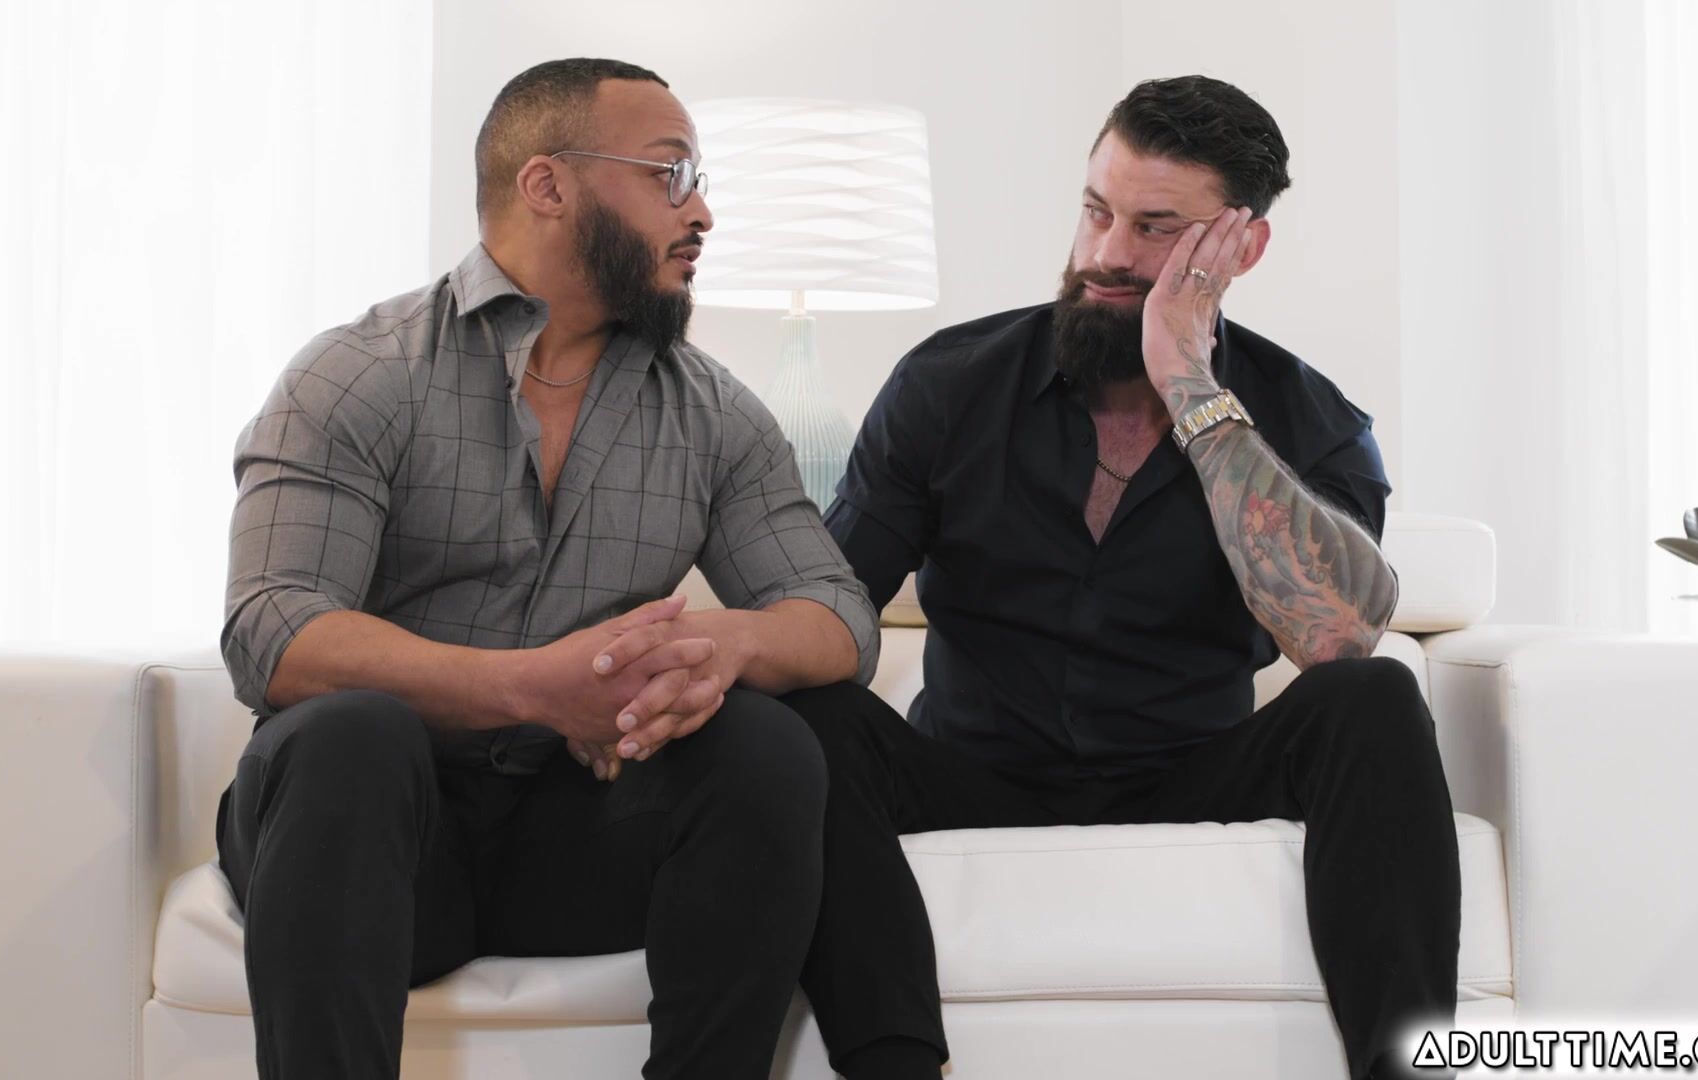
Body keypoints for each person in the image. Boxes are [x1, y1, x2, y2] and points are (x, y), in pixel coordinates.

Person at [214, 57, 879, 1080]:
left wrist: (723, 644)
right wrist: (534, 687)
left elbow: (839, 613)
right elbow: (272, 630)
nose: (701, 212)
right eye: (670, 174)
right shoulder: (358, 375)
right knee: (351, 737)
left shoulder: (714, 413)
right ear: (547, 185)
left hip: (572, 839)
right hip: (371, 837)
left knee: (768, 744)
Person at [784, 75, 1458, 1080]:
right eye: (1097, 211)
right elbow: (831, 608)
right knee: (807, 717)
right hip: (974, 768)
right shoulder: (950, 384)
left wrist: (1191, 385)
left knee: (1376, 696)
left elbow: (1335, 639)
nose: (1106, 253)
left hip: (1190, 770)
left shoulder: (1308, 417)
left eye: (1155, 229)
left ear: (1241, 247)